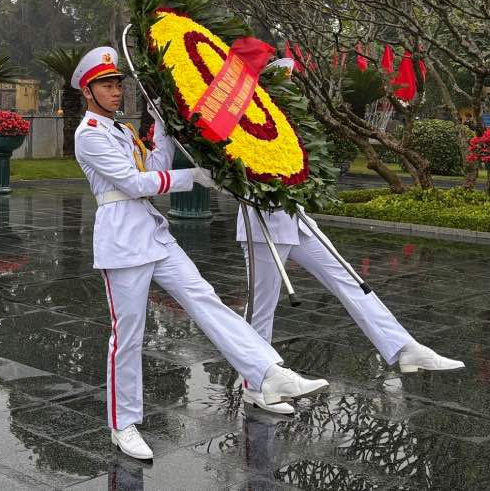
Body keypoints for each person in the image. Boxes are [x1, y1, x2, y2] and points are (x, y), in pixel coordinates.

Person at [71, 46, 328, 461]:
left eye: (118, 83)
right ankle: (123, 424)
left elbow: (152, 162)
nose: (116, 91)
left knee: (206, 300)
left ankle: (266, 373)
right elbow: (135, 183)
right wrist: (193, 176)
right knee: (128, 337)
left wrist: (162, 124)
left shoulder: (120, 131)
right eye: (106, 85)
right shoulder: (89, 135)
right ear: (88, 91)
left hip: (153, 234)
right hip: (121, 243)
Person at [236, 207, 464, 413]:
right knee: (261, 306)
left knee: (352, 283)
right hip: (261, 227)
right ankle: (257, 382)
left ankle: (406, 348)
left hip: (297, 221)